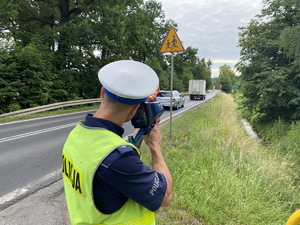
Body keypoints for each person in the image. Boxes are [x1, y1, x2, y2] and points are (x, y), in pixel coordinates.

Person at [62, 60, 173, 225]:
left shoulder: (77, 134)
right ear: (135, 109)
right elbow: (165, 197)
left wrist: (142, 131)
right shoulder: (118, 159)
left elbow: (110, 167)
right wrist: (155, 147)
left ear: (102, 92)